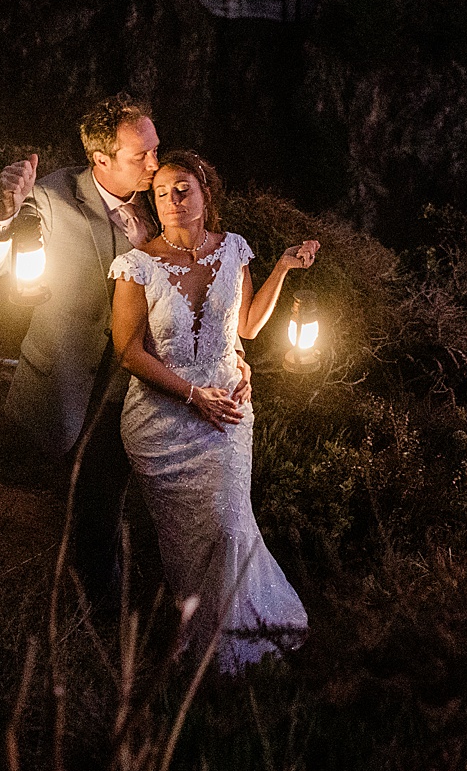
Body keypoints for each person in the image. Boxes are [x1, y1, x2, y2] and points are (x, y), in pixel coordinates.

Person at [0, 95, 246, 608]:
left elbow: (198, 285)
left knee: (134, 501)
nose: (153, 163)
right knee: (87, 501)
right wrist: (4, 215)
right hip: (69, 377)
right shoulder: (53, 195)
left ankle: (146, 603)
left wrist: (233, 352)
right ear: (100, 159)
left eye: (155, 149)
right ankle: (92, 613)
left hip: (143, 382)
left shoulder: (165, 196)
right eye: (139, 155)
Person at [109, 148, 317, 669]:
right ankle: (194, 633)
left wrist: (284, 268)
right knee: (183, 542)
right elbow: (128, 351)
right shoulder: (137, 266)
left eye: (183, 191)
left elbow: (244, 327)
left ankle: (241, 637)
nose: (172, 202)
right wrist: (191, 394)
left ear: (206, 195)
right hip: (161, 422)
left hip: (227, 413)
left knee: (228, 524)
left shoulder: (234, 251)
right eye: (161, 193)